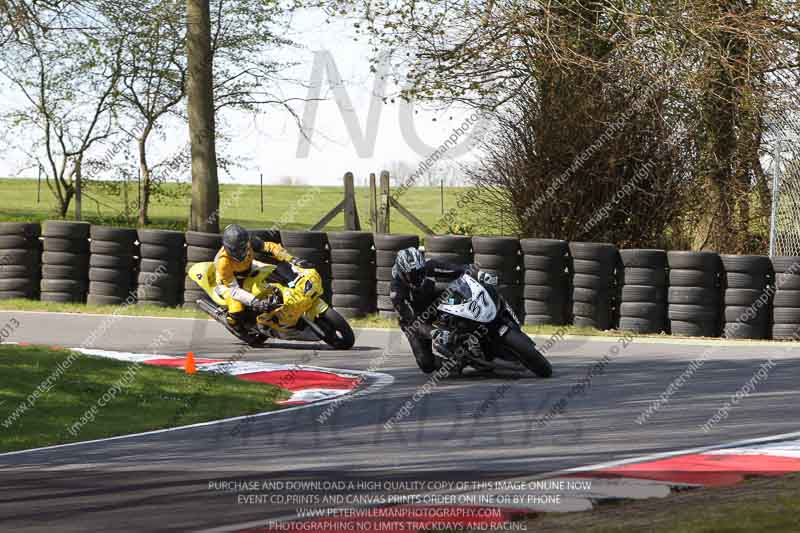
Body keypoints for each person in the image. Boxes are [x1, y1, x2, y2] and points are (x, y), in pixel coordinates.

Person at [390, 247, 496, 369]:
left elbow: (455, 269)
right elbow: (412, 322)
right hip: (414, 320)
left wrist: (480, 274)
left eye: (420, 272)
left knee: (458, 294)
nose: (417, 277)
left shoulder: (428, 265)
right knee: (426, 364)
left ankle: (479, 329)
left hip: (432, 301)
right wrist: (433, 332)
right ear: (402, 272)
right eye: (412, 275)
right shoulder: (396, 292)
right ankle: (452, 362)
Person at [214, 224, 312, 330]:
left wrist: (291, 258)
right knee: (237, 310)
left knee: (276, 273)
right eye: (236, 250)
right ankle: (234, 324)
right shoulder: (223, 262)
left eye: (243, 248)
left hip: (248, 269)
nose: (240, 252)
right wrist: (255, 302)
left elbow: (269, 247)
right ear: (228, 248)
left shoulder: (250, 241)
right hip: (228, 284)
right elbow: (234, 289)